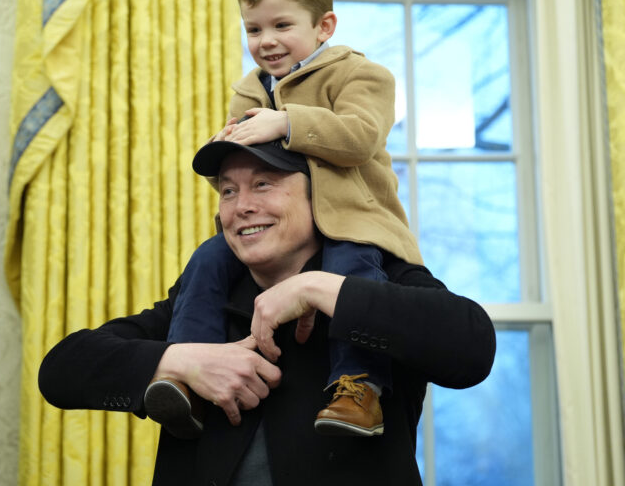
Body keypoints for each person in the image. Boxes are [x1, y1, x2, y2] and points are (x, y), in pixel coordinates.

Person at [38, 140, 496, 486]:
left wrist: (317, 287)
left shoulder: (377, 277)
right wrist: (184, 361)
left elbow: (472, 345)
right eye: (228, 191)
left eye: (264, 183)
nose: (242, 207)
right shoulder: (202, 297)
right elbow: (60, 370)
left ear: (321, 197)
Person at [159, 0, 423, 438]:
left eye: (282, 25)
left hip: (350, 224)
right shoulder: (250, 87)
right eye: (254, 30)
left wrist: (285, 122)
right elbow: (237, 167)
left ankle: (358, 389)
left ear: (325, 26)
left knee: (349, 273)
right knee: (207, 257)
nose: (267, 41)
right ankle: (190, 373)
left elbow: (361, 138)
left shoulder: (361, 75)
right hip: (282, 232)